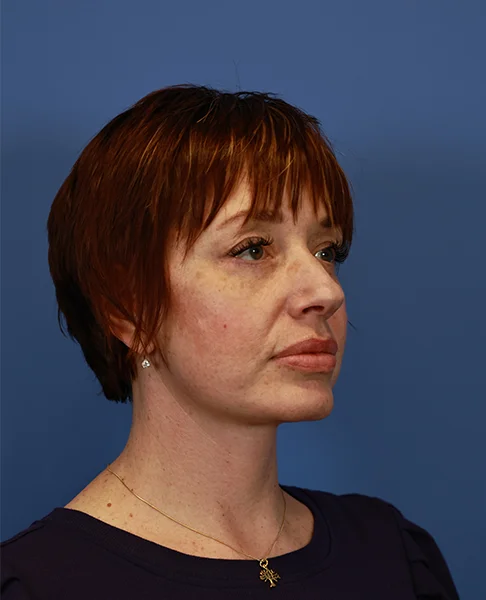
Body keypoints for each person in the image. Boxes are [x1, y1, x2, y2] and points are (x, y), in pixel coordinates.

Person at [1, 84, 460, 599]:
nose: (326, 291)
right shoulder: (41, 585)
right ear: (129, 310)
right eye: (253, 249)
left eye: (327, 251)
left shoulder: (392, 555)